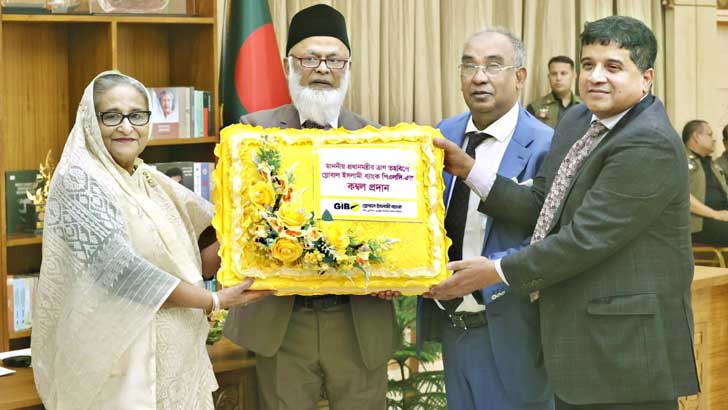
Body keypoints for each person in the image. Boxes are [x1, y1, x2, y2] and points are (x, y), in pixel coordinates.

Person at [427, 16, 699, 409]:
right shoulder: (577, 120)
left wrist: (495, 272)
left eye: (613, 67)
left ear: (647, 78)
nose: (596, 77)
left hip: (626, 349)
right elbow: (543, 205)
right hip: (574, 340)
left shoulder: (648, 143)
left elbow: (583, 239)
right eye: (588, 65)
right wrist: (469, 169)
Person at [31, 71, 273, 410]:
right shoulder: (80, 182)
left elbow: (193, 264)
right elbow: (125, 275)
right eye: (111, 115)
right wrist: (216, 300)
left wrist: (253, 228)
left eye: (137, 115)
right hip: (123, 368)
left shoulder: (149, 180)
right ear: (90, 121)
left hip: (177, 360)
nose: (126, 126)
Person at [223, 5, 398, 410]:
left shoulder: (379, 140)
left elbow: (392, 226)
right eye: (308, 58)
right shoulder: (251, 133)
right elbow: (237, 220)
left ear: (348, 66)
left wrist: (395, 271)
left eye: (333, 59)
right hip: (283, 321)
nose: (322, 68)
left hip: (357, 318)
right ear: (288, 65)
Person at [416, 28, 553, 410]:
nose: (479, 77)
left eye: (494, 66)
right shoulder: (443, 133)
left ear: (520, 76)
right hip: (454, 325)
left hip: (515, 332)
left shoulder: (546, 144)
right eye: (469, 66)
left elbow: (553, 240)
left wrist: (491, 273)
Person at [683, 120, 728, 245]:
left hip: (721, 217)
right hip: (700, 223)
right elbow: (681, 196)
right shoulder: (679, 161)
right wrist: (715, 214)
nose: (714, 140)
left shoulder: (713, 165)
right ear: (696, 136)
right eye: (710, 135)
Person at [526, 56, 581, 129]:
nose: (558, 78)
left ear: (574, 76)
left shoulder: (585, 107)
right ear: (549, 77)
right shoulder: (534, 108)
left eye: (563, 73)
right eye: (554, 74)